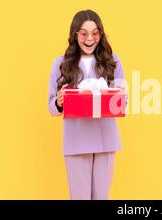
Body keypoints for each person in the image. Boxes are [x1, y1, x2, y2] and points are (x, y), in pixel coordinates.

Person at [47, 9, 125, 200]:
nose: (90, 38)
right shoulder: (60, 64)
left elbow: (123, 102)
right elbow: (51, 107)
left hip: (105, 140)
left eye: (95, 33)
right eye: (83, 33)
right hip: (76, 142)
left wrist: (117, 96)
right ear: (75, 35)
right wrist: (59, 102)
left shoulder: (113, 61)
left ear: (101, 34)